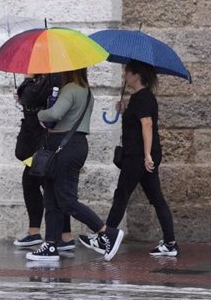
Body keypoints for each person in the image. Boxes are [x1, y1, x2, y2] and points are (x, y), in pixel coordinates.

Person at [79, 60, 178, 257]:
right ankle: (170, 242)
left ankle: (106, 237)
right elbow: (138, 122)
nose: (125, 76)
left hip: (137, 156)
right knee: (156, 199)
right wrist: (125, 111)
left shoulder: (142, 98)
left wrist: (147, 154)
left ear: (136, 75)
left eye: (127, 73)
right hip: (141, 156)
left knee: (122, 195)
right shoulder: (141, 98)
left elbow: (147, 125)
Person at [26, 68, 124, 263]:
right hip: (73, 145)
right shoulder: (87, 91)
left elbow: (55, 113)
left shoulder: (70, 89)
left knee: (67, 200)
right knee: (51, 198)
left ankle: (107, 233)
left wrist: (39, 114)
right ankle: (51, 244)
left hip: (65, 146)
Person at [13, 74, 75, 252]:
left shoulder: (52, 80)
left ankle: (65, 235)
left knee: (49, 186)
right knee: (30, 183)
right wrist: (20, 96)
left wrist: (26, 97)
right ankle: (36, 232)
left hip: (44, 139)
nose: (25, 68)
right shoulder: (31, 82)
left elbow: (50, 104)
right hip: (31, 140)